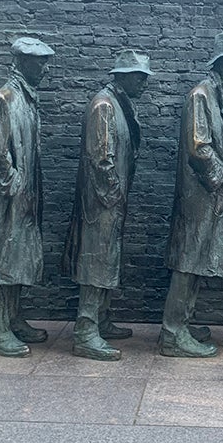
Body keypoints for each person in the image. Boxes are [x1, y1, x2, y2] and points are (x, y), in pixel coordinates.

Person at [160, 31, 223, 358]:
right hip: (199, 197)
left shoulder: (216, 95)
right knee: (188, 262)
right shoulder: (201, 95)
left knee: (197, 261)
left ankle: (182, 322)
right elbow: (199, 148)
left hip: (207, 197)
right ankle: (172, 334)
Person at [62, 49, 152, 361]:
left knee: (106, 260)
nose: (144, 83)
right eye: (139, 77)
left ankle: (101, 318)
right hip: (102, 202)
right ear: (123, 76)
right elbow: (102, 159)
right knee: (96, 262)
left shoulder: (118, 103)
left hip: (110, 201)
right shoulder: (104, 105)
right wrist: (113, 194)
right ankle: (86, 331)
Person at [0, 35, 55, 357]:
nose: (45, 69)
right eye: (40, 63)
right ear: (23, 63)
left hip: (25, 196)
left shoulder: (27, 98)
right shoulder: (6, 98)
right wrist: (14, 183)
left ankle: (13, 318)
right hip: (9, 198)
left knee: (17, 257)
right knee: (0, 259)